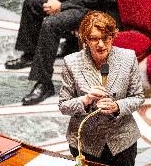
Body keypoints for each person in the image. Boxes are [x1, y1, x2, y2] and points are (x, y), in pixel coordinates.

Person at [5, 0, 123, 106]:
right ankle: (30, 54)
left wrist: (60, 6)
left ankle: (44, 83)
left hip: (97, 9)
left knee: (51, 24)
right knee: (31, 1)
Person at [59, 11, 145, 166]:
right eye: (94, 39)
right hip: (85, 143)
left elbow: (138, 96)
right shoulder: (71, 62)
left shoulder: (127, 57)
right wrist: (86, 100)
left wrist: (118, 106)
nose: (100, 44)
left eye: (105, 38)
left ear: (112, 37)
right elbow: (63, 106)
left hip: (121, 141)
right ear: (85, 39)